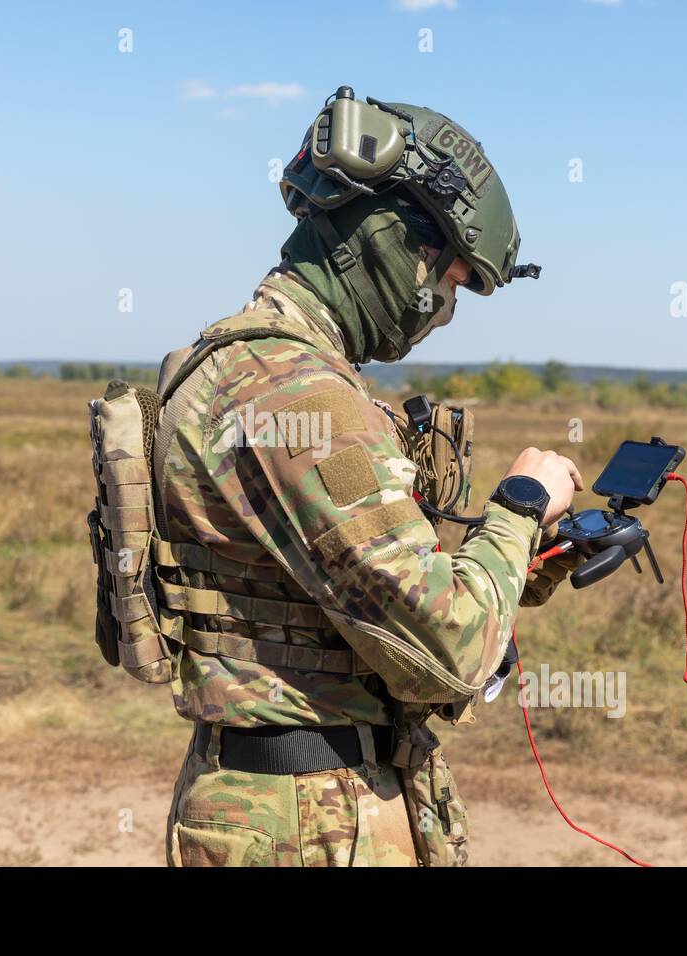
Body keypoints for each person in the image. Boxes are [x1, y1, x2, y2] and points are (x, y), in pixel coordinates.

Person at [152, 89, 582, 866]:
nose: (441, 310)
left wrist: (530, 564)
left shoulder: (223, 364)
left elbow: (333, 593)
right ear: (383, 234)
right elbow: (446, 648)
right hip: (314, 822)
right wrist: (519, 509)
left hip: (271, 803)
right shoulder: (296, 394)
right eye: (445, 281)